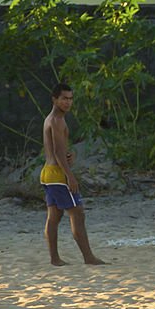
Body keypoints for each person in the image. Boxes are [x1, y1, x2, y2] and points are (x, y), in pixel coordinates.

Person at [40, 83, 106, 266]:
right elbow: (58, 152)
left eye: (70, 98)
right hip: (57, 175)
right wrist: (70, 175)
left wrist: (70, 155)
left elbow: (58, 150)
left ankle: (54, 259)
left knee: (54, 216)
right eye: (64, 98)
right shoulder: (56, 120)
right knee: (77, 213)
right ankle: (89, 257)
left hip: (48, 173)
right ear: (54, 99)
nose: (68, 102)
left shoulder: (53, 119)